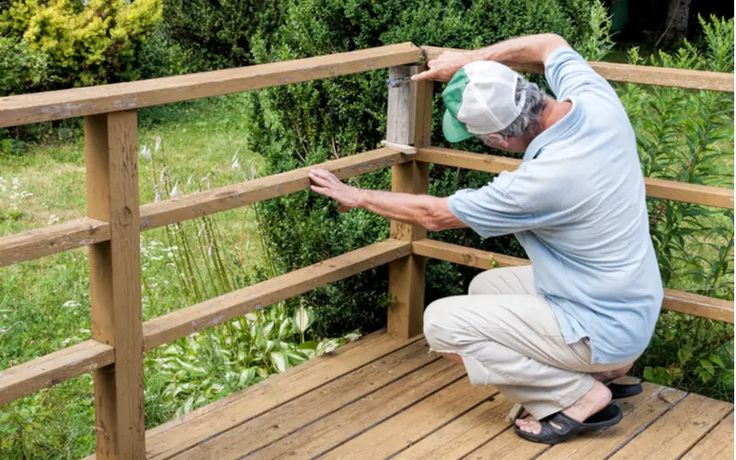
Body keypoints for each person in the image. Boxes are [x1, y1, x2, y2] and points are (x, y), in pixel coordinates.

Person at [307, 33, 663, 445]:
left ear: (498, 141)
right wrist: (471, 59)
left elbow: (433, 216)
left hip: (604, 328)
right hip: (630, 304)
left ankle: (580, 394)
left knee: (441, 324)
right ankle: (590, 370)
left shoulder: (542, 182)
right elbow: (550, 44)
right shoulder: (595, 103)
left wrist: (359, 196)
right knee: (485, 286)